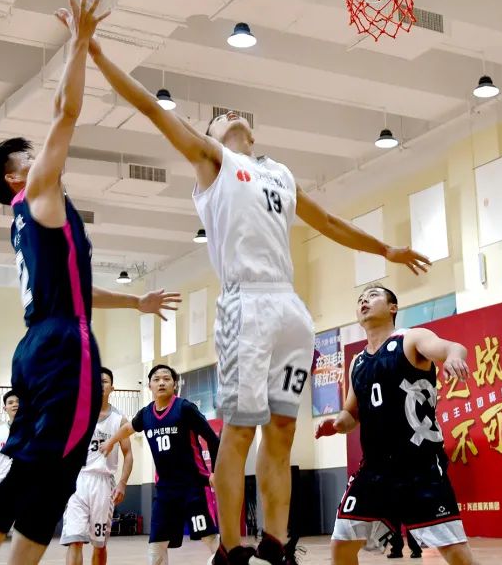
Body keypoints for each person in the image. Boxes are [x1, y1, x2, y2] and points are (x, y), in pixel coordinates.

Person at [88, 39, 431, 565]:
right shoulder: (214, 162)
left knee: (283, 430)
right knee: (241, 428)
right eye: (218, 116)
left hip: (289, 308)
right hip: (245, 304)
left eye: (233, 113)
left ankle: (275, 542)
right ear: (210, 136)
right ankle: (229, 548)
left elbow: (328, 222)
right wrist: (97, 54)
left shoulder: (280, 173)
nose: (228, 113)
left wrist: (384, 249)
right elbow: (153, 110)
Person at [0, 0, 181, 565]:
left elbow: (77, 290)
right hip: (63, 344)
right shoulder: (38, 191)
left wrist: (134, 303)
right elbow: (65, 111)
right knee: (55, 468)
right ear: (16, 178)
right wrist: (79, 42)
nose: (42, 158)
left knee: (29, 460)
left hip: (39, 341)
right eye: (28, 157)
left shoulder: (30, 223)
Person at [316, 285, 477, 565]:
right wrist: (338, 424)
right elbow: (352, 413)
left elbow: (453, 347)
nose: (364, 300)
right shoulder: (357, 363)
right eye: (360, 298)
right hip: (374, 470)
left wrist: (453, 357)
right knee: (341, 545)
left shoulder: (411, 339)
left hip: (419, 466)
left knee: (456, 554)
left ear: (393, 308)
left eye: (373, 295)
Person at [100, 364, 220, 565]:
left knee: (209, 537)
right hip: (165, 490)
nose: (161, 383)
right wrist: (111, 442)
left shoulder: (185, 408)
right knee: (156, 544)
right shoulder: (146, 414)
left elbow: (213, 439)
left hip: (193, 487)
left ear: (175, 384)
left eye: (166, 378)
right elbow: (128, 429)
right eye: (156, 379)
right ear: (149, 386)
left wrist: (215, 472)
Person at [61, 367, 133, 565]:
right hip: (78, 481)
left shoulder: (120, 419)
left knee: (99, 544)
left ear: (112, 388)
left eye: (104, 381)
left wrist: (122, 483)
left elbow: (128, 454)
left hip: (103, 483)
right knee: (74, 539)